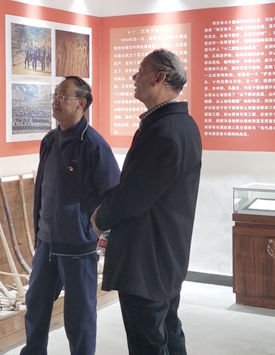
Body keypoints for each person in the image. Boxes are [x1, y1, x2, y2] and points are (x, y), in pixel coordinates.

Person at [90, 49, 202, 355]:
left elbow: (134, 196)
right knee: (168, 333)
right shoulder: (179, 125)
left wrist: (101, 217)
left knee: (148, 342)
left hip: (147, 258)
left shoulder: (164, 133)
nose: (134, 77)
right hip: (163, 254)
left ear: (159, 78)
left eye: (140, 70)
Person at [21, 76, 121, 355]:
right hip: (46, 243)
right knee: (35, 307)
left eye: (63, 95)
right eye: (55, 94)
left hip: (78, 247)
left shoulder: (93, 144)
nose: (56, 100)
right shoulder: (49, 141)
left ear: (82, 103)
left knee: (79, 318)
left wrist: (95, 231)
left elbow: (113, 194)